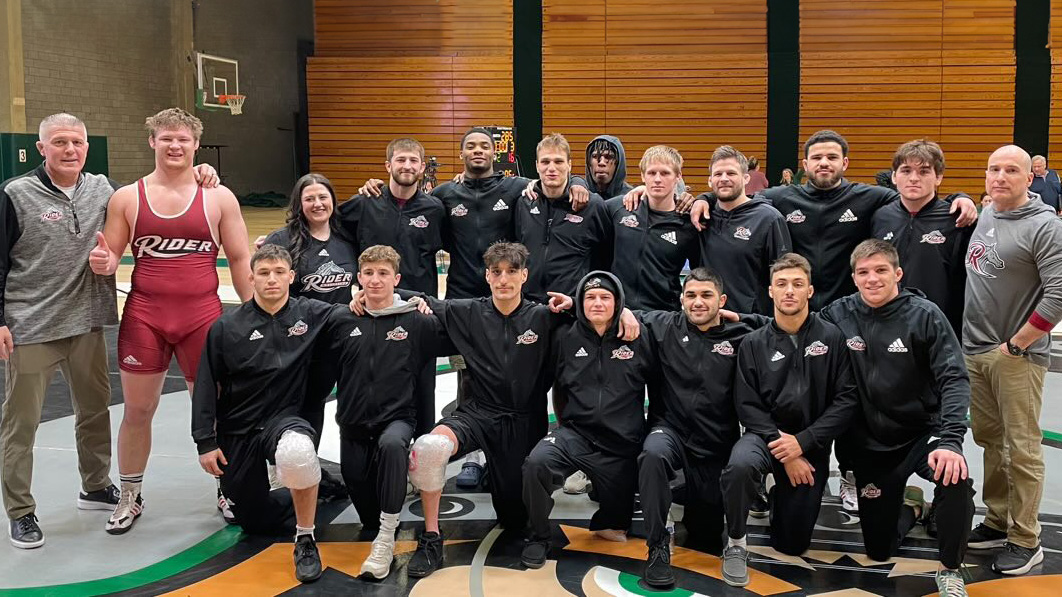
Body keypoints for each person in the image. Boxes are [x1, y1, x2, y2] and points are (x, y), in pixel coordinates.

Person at [1, 113, 216, 549]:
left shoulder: (103, 189)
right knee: (21, 425)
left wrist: (194, 170)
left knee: (95, 412)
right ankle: (21, 511)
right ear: (41, 148)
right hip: (31, 326)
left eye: (77, 142)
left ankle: (96, 486)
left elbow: (157, 188)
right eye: (59, 142)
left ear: (86, 147)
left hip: (87, 323)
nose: (70, 150)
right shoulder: (15, 193)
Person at [381, 243, 630, 578]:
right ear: (487, 276)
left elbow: (596, 311)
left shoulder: (545, 316)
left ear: (524, 275)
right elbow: (417, 296)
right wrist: (370, 295)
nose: (504, 279)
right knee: (430, 448)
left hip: (523, 421)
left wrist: (625, 311)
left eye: (512, 271)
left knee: (513, 519)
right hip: (477, 413)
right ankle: (431, 537)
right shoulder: (467, 311)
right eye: (496, 272)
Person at [90, 107, 252, 534]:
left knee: (216, 410)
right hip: (145, 316)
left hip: (203, 317)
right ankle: (129, 494)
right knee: (138, 410)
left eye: (182, 139)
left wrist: (256, 315)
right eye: (166, 138)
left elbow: (239, 258)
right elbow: (110, 257)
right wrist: (104, 263)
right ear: (152, 142)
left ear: (196, 144)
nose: (174, 145)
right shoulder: (127, 197)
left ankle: (226, 488)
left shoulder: (219, 197)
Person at [821, 239, 975, 596]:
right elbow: (794, 329)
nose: (872, 279)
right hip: (870, 445)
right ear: (854, 277)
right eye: (863, 272)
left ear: (898, 274)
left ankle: (950, 569)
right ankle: (911, 507)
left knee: (955, 479)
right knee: (878, 550)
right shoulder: (838, 314)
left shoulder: (925, 315)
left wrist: (951, 440)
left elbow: (954, 378)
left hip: (922, 434)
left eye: (881, 271)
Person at [192, 244, 332, 584]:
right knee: (250, 520)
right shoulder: (226, 328)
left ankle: (305, 537)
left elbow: (365, 308)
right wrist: (205, 442)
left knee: (297, 452)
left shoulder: (312, 314)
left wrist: (413, 300)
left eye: (279, 272)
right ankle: (315, 483)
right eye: (264, 273)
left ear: (292, 277)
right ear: (250, 277)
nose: (272, 279)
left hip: (286, 421)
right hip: (239, 427)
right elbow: (207, 385)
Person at [719, 253, 857, 587]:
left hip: (811, 442)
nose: (789, 291)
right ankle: (736, 542)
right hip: (764, 437)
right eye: (782, 284)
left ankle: (777, 494)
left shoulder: (832, 338)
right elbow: (746, 404)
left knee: (792, 545)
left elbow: (846, 399)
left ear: (810, 290)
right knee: (739, 466)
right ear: (770, 291)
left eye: (797, 284)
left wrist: (803, 444)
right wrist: (784, 446)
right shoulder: (753, 343)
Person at [963, 145, 1062, 575]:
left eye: (1010, 170)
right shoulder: (987, 213)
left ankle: (1026, 538)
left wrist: (1018, 344)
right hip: (975, 351)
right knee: (989, 440)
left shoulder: (1044, 226)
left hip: (1016, 355)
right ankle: (998, 519)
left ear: (1030, 177)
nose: (999, 177)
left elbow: (1058, 294)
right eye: (993, 169)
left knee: (1021, 448)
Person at [636, 268, 767, 587]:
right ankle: (657, 544)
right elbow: (614, 309)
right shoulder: (663, 325)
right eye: (691, 295)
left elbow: (782, 326)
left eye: (706, 295)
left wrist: (747, 318)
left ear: (721, 300)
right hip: (670, 431)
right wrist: (573, 303)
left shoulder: (740, 334)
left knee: (704, 532)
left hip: (715, 441)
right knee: (652, 455)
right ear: (681, 298)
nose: (697, 302)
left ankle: (735, 543)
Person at [326, 245, 450, 580]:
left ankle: (386, 539)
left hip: (397, 419)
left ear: (396, 279)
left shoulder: (415, 320)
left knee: (393, 446)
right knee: (367, 511)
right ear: (358, 278)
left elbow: (461, 332)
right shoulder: (341, 319)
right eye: (369, 273)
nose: (375, 280)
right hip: (352, 423)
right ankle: (384, 509)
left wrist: (421, 300)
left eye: (384, 274)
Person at [521, 271, 658, 569]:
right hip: (575, 435)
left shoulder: (639, 336)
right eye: (590, 297)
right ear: (580, 302)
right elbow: (551, 383)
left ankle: (613, 507)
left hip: (621, 443)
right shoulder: (564, 337)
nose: (597, 303)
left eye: (605, 297)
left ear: (619, 302)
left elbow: (658, 386)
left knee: (613, 530)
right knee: (536, 463)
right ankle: (538, 536)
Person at [339, 138, 444, 436]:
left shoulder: (435, 209)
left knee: (422, 384)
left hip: (418, 310)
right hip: (373, 309)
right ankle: (371, 446)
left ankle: (421, 454)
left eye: (413, 161)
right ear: (388, 165)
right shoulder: (364, 203)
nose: (407, 166)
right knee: (372, 379)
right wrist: (276, 241)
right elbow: (322, 229)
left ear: (422, 168)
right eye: (401, 160)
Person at [263, 173, 356, 503]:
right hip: (298, 342)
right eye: (309, 199)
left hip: (340, 341)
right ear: (299, 204)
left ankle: (312, 471)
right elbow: (266, 287)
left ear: (332, 200)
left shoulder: (347, 238)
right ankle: (285, 473)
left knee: (331, 407)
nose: (318, 204)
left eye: (323, 197)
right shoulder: (284, 240)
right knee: (297, 408)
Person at [872, 139, 973, 337]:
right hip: (887, 327)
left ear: (939, 178)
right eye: (906, 170)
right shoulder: (880, 217)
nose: (914, 178)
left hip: (942, 330)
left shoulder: (957, 219)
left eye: (924, 171)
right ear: (894, 176)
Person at [515, 133, 611, 303]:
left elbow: (605, 258)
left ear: (569, 165)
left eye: (558, 161)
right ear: (537, 166)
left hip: (572, 306)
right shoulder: (524, 203)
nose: (551, 168)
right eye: (545, 162)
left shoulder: (593, 205)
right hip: (528, 304)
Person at [699, 146, 791, 315]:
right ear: (710, 181)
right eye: (718, 174)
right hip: (708, 322)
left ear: (746, 178)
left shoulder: (769, 219)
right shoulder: (701, 216)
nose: (724, 179)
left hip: (751, 325)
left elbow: (784, 276)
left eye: (731, 173)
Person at [605, 145, 699, 311]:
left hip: (664, 318)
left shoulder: (689, 224)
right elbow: (588, 203)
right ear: (642, 175)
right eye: (651, 173)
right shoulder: (618, 209)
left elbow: (700, 273)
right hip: (619, 313)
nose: (657, 179)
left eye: (665, 173)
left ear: (678, 176)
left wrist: (705, 199)